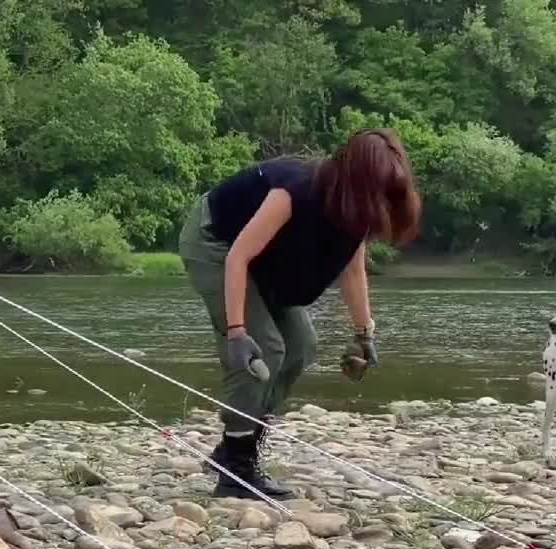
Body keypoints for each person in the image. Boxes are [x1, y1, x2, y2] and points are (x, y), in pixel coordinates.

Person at [177, 128, 421, 500]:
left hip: (267, 259)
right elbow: (238, 256)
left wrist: (364, 334)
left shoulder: (352, 211)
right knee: (265, 350)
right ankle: (236, 473)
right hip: (216, 242)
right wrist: (238, 332)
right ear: (356, 180)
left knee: (302, 347)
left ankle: (233, 448)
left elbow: (352, 270)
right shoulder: (295, 189)